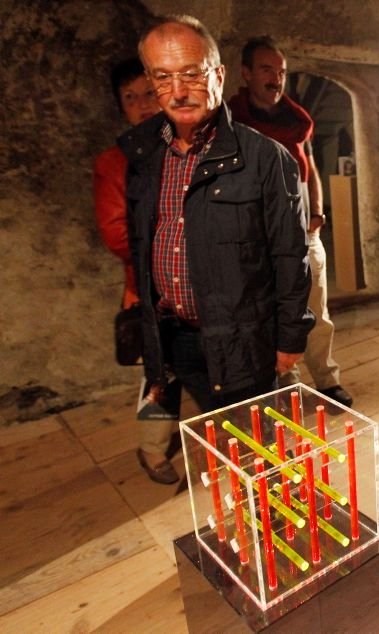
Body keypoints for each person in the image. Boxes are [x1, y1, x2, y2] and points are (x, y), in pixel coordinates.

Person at [120, 16, 315, 434]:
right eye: (163, 77)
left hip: (243, 340)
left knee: (259, 444)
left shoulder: (265, 158)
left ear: (219, 75)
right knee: (213, 434)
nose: (178, 91)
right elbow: (140, 243)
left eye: (192, 73)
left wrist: (290, 338)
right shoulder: (142, 155)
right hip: (176, 338)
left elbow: (289, 256)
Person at [228, 36, 353, 408]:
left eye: (281, 72)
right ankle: (287, 383)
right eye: (267, 70)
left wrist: (317, 212)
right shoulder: (232, 121)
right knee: (274, 312)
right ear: (246, 73)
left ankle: (327, 380)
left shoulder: (297, 120)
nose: (276, 79)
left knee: (317, 309)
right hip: (261, 233)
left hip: (303, 229)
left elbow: (309, 166)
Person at [93, 58, 181, 484]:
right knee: (159, 374)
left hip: (198, 288)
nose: (143, 104)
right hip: (149, 289)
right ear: (121, 107)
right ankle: (152, 447)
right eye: (131, 97)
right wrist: (178, 249)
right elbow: (116, 235)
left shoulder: (188, 148)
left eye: (150, 93)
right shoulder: (115, 163)